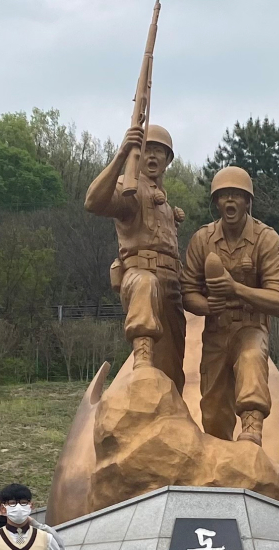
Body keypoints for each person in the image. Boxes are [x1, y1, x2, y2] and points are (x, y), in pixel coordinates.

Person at [179, 165, 279, 444]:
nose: (230, 201)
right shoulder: (202, 239)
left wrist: (236, 289)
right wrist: (207, 306)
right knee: (213, 411)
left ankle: (252, 431)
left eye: (236, 195)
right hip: (216, 332)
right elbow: (187, 292)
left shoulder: (266, 239)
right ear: (216, 202)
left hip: (250, 327)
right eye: (223, 195)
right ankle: (220, 458)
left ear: (248, 201)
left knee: (251, 358)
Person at [84, 122, 187, 382]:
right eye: (145, 150)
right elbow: (93, 202)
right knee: (145, 283)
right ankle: (141, 356)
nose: (152, 156)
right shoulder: (129, 188)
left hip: (172, 286)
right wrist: (121, 155)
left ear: (167, 160)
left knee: (173, 371)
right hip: (138, 276)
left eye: (158, 151)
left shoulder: (165, 201)